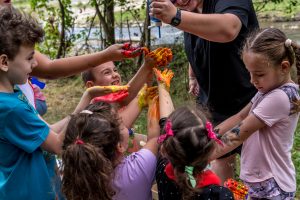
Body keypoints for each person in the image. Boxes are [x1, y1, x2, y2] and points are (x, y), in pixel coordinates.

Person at [0, 7, 120, 199]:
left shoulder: (13, 95)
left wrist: (87, 97)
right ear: (4, 62)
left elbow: (50, 132)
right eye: (30, 57)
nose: (35, 64)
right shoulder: (10, 108)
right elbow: (57, 144)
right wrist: (83, 115)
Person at [150, 0, 259, 182]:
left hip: (250, 103)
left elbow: (228, 29)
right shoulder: (189, 8)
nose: (177, 2)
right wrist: (193, 74)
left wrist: (176, 16)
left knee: (256, 170)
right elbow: (198, 39)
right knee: (218, 160)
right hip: (214, 104)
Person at [210, 28, 300, 199]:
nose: (252, 80)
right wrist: (208, 137)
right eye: (249, 73)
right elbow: (240, 117)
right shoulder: (268, 89)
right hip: (261, 180)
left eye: (259, 74)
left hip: (273, 185)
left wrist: (202, 155)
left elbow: (240, 133)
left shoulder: (280, 97)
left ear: (284, 67)